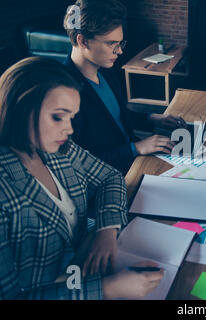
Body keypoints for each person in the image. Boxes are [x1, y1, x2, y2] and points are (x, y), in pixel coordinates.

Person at [0, 57, 163, 299]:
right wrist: (107, 289)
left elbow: (109, 176)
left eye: (71, 117)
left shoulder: (58, 147)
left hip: (87, 262)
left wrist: (107, 229)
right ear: (22, 107)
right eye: (58, 117)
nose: (69, 129)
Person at [63, 0, 185, 175]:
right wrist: (135, 148)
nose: (119, 51)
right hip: (113, 174)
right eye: (111, 43)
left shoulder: (104, 70)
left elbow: (117, 116)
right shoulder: (63, 94)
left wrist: (152, 118)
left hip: (135, 158)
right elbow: (81, 164)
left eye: (120, 43)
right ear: (82, 41)